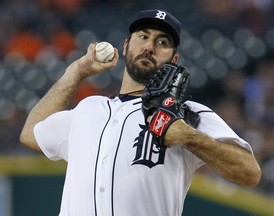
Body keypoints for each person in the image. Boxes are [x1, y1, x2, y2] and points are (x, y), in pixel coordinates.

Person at [20, 9, 261, 216]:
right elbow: (31, 133)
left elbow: (249, 173)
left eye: (162, 42)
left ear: (173, 59)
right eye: (143, 36)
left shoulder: (186, 113)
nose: (149, 47)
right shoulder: (89, 109)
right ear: (126, 45)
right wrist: (75, 73)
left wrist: (189, 137)